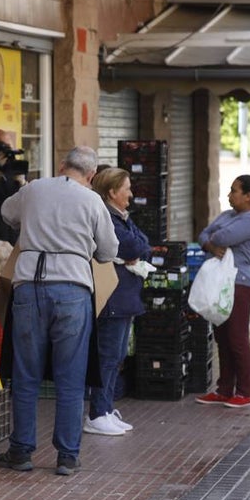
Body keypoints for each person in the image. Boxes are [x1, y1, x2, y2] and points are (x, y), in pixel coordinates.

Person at [0, 146, 119, 475]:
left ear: (61, 165)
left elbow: (7, 214)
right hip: (73, 290)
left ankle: (21, 451)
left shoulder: (34, 188)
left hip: (29, 288)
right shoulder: (92, 200)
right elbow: (108, 251)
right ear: (91, 176)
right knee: (70, 377)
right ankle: (67, 456)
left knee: (26, 375)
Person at [84, 167, 154, 436]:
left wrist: (135, 250)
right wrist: (132, 251)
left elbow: (143, 243)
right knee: (108, 355)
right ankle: (97, 413)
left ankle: (106, 408)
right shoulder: (107, 219)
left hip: (126, 297)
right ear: (112, 192)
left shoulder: (122, 217)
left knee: (117, 356)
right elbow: (133, 248)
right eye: (126, 188)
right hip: (112, 296)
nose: (131, 193)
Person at [194, 174, 250, 409]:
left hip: (240, 283)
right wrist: (210, 243)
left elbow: (221, 235)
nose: (229, 195)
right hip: (221, 283)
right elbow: (203, 235)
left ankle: (244, 391)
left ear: (248, 196)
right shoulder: (229, 216)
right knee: (222, 337)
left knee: (237, 338)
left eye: (235, 191)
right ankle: (224, 389)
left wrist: (213, 238)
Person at [0, 131, 26, 244]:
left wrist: (22, 183)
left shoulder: (13, 169)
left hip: (14, 235)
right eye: (2, 147)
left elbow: (25, 203)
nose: (7, 154)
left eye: (9, 149)